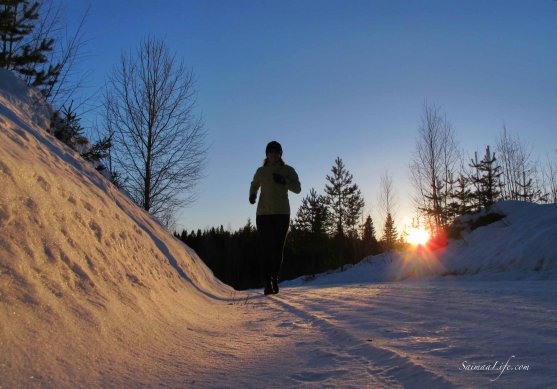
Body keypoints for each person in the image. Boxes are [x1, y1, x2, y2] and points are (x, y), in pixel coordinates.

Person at [249, 141, 301, 295]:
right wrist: (252, 194)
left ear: (280, 154)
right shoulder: (261, 171)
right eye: (270, 152)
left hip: (282, 213)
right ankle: (267, 283)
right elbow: (254, 184)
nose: (273, 155)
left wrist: (284, 181)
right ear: (267, 154)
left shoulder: (288, 170)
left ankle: (274, 278)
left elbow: (297, 189)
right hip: (263, 215)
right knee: (266, 249)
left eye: (276, 152)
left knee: (278, 249)